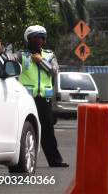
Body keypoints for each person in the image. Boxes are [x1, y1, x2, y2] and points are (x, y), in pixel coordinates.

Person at [15, 25, 68, 168]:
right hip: (26, 99)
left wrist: (41, 61)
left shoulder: (49, 55)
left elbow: (55, 71)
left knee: (48, 131)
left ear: (44, 40)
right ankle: (19, 161)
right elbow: (8, 62)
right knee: (23, 129)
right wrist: (1, 53)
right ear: (28, 40)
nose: (38, 41)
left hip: (44, 99)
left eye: (41, 38)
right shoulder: (21, 55)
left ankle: (55, 161)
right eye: (35, 38)